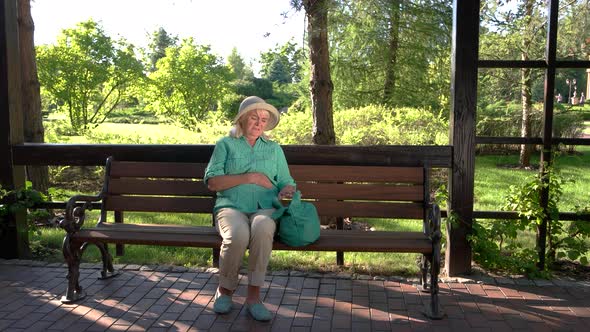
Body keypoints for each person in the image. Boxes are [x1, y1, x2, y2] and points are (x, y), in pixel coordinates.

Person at [204, 96, 296, 321]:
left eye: (264, 119)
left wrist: (287, 190)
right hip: (231, 207)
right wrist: (251, 177)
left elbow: (286, 180)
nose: (259, 123)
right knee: (237, 235)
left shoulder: (274, 149)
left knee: (263, 227)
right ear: (242, 119)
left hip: (265, 207)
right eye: (254, 117)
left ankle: (254, 297)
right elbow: (213, 182)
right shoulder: (225, 144)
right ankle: (225, 291)